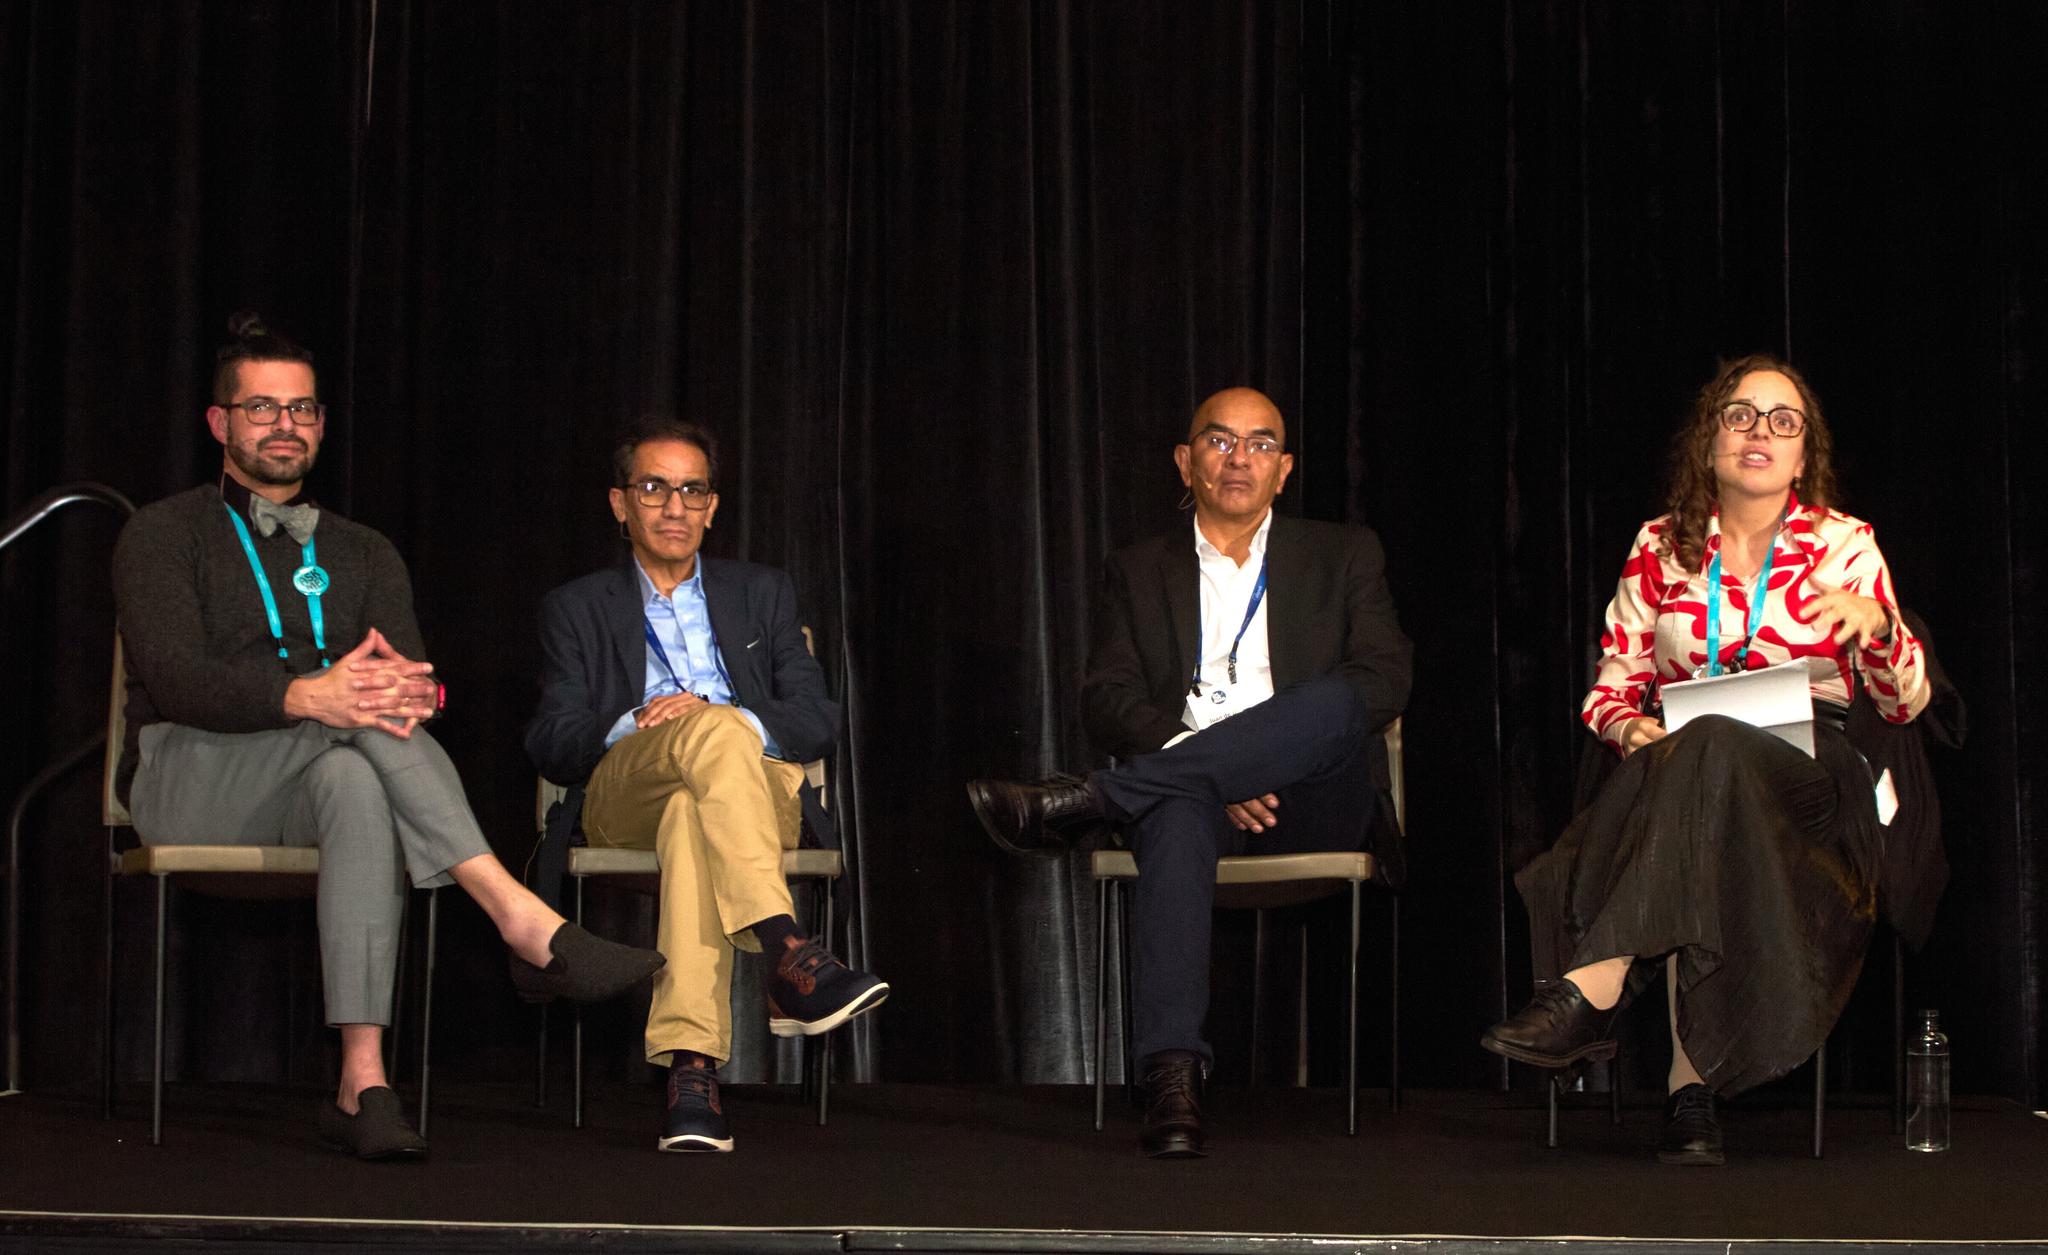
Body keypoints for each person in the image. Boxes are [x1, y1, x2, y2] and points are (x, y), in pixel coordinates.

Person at [112, 314, 663, 1161]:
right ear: (219, 422)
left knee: (359, 778)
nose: (284, 425)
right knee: (352, 727)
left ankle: (361, 1082)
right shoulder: (160, 532)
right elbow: (178, 677)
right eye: (261, 408)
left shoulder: (366, 552)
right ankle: (519, 917)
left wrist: (415, 691)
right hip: (188, 771)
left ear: (323, 425)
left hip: (316, 777)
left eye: (301, 409)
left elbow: (420, 689)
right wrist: (309, 692)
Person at [1482, 354, 1931, 1165]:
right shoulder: (1659, 545)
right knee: (1702, 763)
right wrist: (1629, 732)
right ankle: (1691, 1096)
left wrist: (1879, 623)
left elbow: (1903, 705)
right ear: (1709, 439)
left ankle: (1592, 988)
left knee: (1712, 750)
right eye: (1740, 415)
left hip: (1810, 774)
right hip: (1688, 765)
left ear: (1804, 453)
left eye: (1782, 420)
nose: (1760, 432)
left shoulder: (1846, 545)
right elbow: (1612, 685)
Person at [967, 386, 1412, 1158]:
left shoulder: (1343, 552)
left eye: (1261, 444)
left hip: (1314, 794)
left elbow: (1384, 681)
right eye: (1220, 440)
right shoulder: (1139, 570)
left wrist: (1255, 755)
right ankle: (1172, 1078)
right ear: (1186, 459)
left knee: (1338, 697)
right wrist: (1214, 770)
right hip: (1196, 799)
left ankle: (1090, 799)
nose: (1240, 458)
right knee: (1174, 812)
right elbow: (1107, 699)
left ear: (1285, 469)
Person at [524, 418, 887, 1154]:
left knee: (700, 800)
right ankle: (786, 948)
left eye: (692, 490)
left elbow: (816, 718)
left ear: (713, 507)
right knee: (705, 744)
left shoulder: (763, 593)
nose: (674, 506)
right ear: (620, 503)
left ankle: (692, 1070)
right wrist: (639, 720)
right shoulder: (577, 606)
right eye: (654, 487)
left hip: (753, 793)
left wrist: (723, 719)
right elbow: (551, 739)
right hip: (628, 788)